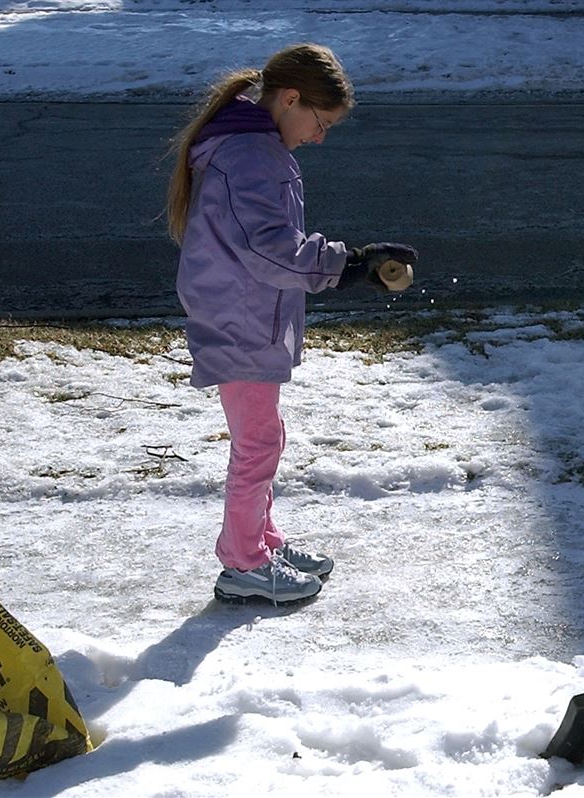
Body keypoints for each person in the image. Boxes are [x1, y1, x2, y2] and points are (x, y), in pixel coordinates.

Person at [166, 43, 417, 605]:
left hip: (242, 309)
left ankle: (260, 541)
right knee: (258, 443)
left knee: (264, 437)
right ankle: (243, 563)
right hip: (238, 316)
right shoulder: (251, 154)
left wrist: (349, 264)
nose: (319, 136)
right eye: (319, 122)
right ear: (290, 98)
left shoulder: (251, 145)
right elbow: (272, 250)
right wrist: (350, 265)